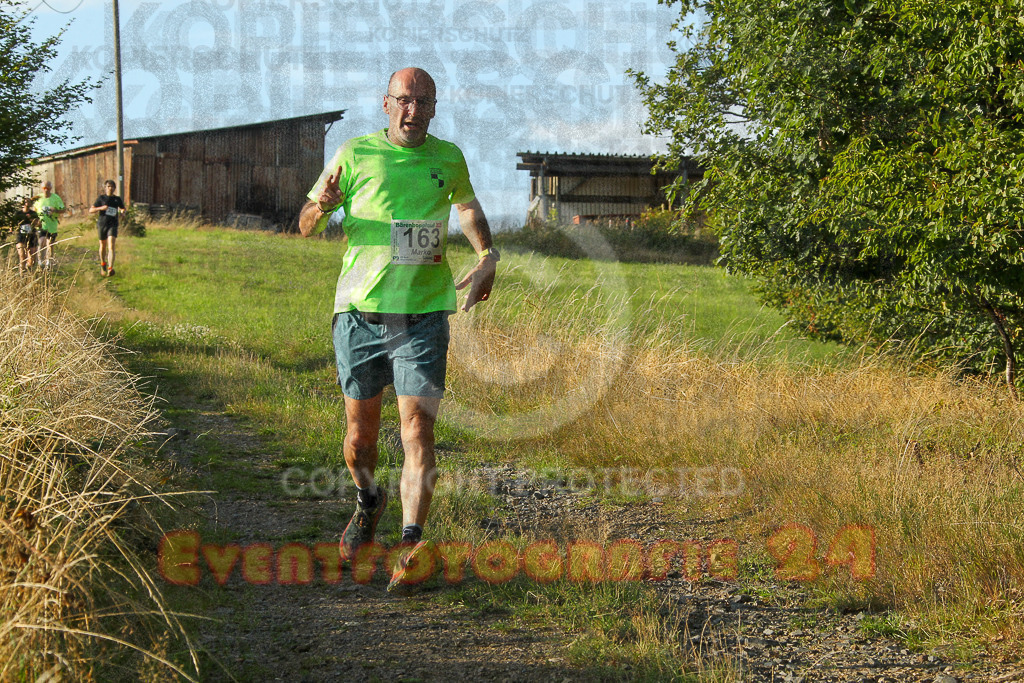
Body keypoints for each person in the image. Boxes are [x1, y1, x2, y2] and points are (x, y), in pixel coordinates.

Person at [298, 67, 499, 594]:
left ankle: (410, 546)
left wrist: (486, 253)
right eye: (404, 100)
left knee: (417, 431)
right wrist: (322, 205)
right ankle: (368, 501)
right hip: (359, 315)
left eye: (423, 101)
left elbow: (468, 206)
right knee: (359, 442)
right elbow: (304, 224)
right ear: (385, 103)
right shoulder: (354, 153)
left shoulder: (448, 156)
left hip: (424, 315)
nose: (413, 111)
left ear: (434, 107)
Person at [88, 180, 126, 276]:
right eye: (109, 186)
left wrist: (122, 211)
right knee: (102, 245)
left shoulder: (117, 199)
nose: (110, 188)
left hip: (113, 224)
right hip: (102, 224)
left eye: (112, 186)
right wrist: (101, 208)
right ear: (105, 188)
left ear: (114, 188)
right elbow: (91, 210)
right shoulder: (101, 198)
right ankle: (103, 264)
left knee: (111, 245)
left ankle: (110, 268)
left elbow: (122, 208)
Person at [33, 180, 65, 270]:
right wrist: (35, 220)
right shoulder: (38, 198)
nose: (46, 190)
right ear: (41, 188)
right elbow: (34, 210)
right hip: (41, 225)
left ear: (50, 188)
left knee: (50, 244)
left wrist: (55, 210)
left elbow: (63, 209)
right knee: (41, 242)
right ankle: (40, 262)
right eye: (44, 188)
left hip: (52, 226)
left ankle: (48, 263)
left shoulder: (55, 198)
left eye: (47, 188)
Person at [13, 197, 39, 274]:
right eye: (25, 202)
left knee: (32, 258)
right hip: (21, 236)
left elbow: (39, 224)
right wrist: (13, 228)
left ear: (31, 204)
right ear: (23, 204)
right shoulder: (18, 214)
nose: (27, 203)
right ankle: (22, 273)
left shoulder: (33, 213)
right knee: (22, 255)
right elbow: (13, 224)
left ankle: (29, 271)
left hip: (31, 236)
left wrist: (31, 219)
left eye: (28, 202)